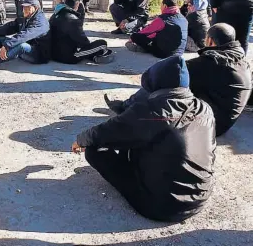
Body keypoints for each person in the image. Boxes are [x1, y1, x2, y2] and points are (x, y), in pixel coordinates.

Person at [74, 56, 216, 222]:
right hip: (200, 197)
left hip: (163, 207)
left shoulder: (151, 111)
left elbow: (105, 132)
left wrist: (81, 140)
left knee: (95, 149)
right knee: (148, 139)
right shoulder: (203, 107)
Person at [186, 24, 252, 136]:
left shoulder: (210, 62)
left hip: (207, 126)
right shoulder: (242, 62)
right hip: (224, 121)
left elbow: (173, 72)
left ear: (210, 41)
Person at [50, 0, 113, 64]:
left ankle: (92, 56)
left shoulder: (55, 15)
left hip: (52, 54)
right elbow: (84, 42)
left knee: (84, 47)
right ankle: (97, 56)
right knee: (102, 44)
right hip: (68, 57)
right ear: (77, 4)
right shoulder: (73, 20)